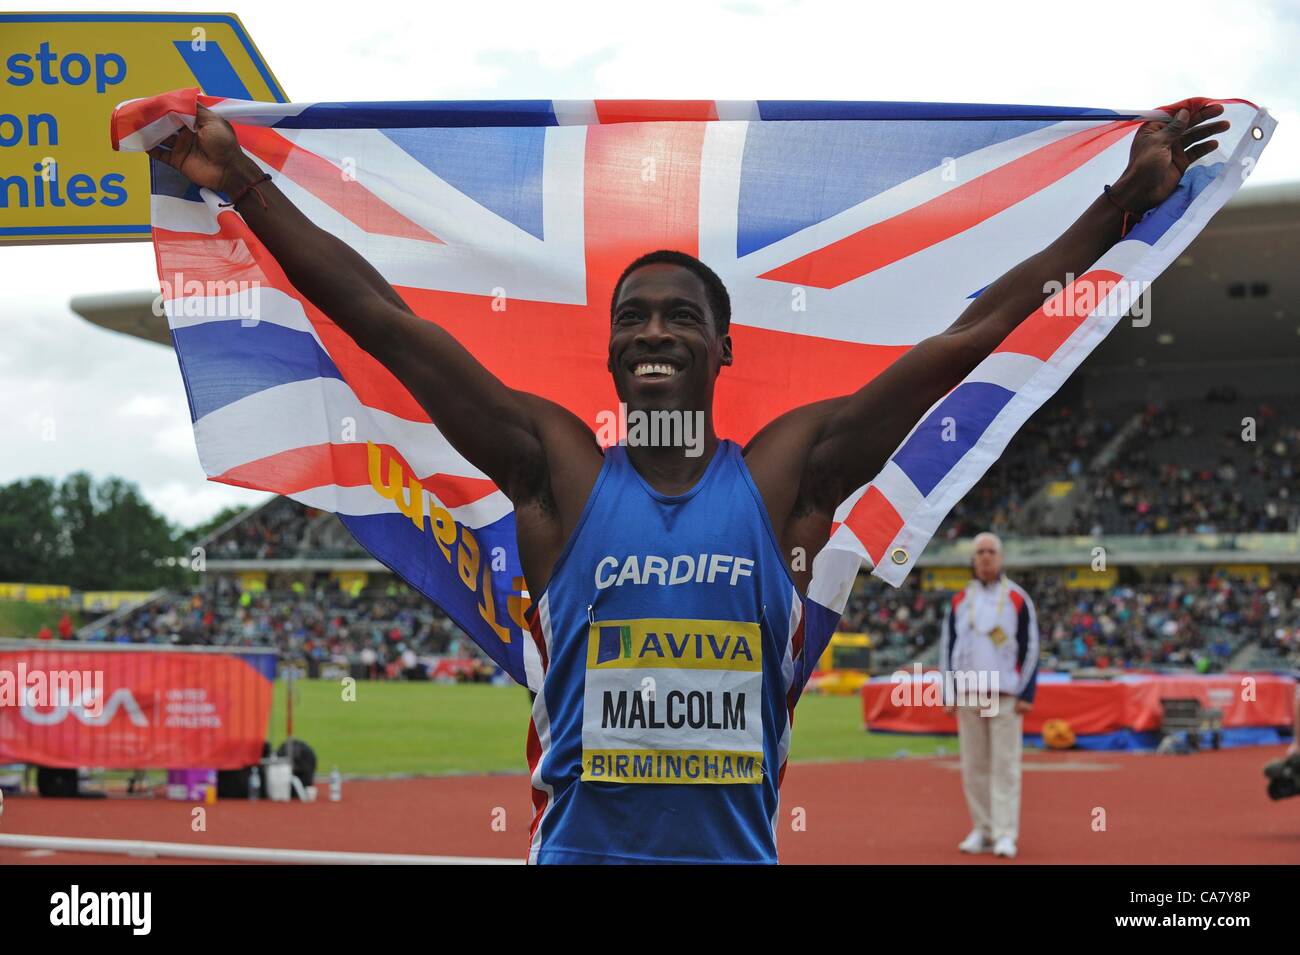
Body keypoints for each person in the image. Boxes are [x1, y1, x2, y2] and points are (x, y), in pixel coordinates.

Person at [153, 100, 1225, 864]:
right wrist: (245, 184)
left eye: (681, 317)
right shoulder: (553, 470)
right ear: (612, 356)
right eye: (633, 319)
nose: (654, 331)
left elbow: (973, 333)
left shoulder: (788, 476)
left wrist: (1116, 209)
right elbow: (384, 320)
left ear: (723, 352)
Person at [941, 532, 1039, 859]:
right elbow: (947, 649)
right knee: (974, 766)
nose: (985, 557)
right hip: (969, 693)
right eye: (980, 552)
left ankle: (1005, 833)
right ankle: (982, 829)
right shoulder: (959, 601)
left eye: (991, 552)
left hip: (1004, 694)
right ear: (973, 559)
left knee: (1006, 765)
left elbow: (1031, 647)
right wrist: (948, 692)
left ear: (1000, 558)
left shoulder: (1017, 598)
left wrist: (1026, 691)